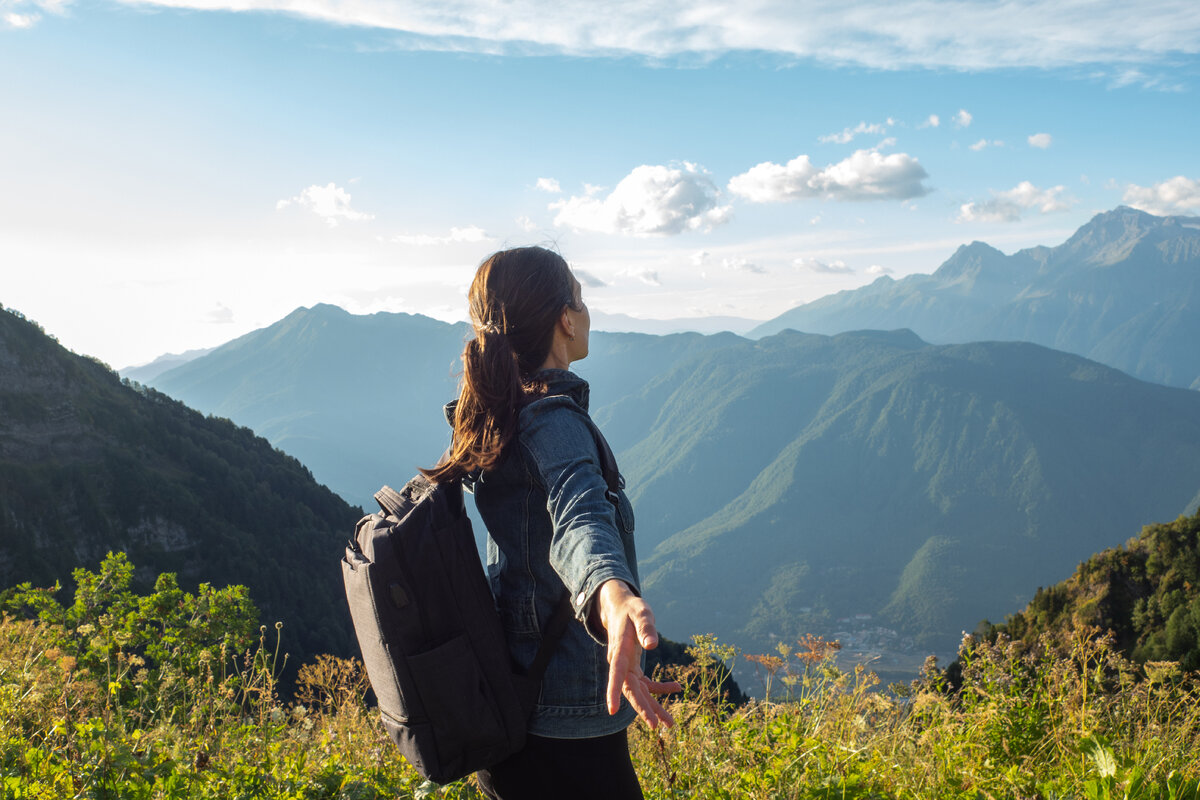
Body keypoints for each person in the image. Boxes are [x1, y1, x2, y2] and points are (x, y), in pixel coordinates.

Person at [422, 246, 680, 799]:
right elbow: (579, 512)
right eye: (582, 303)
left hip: (512, 704)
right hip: (565, 730)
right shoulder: (553, 423)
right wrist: (613, 598)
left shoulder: (494, 414)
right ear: (565, 318)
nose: (587, 316)